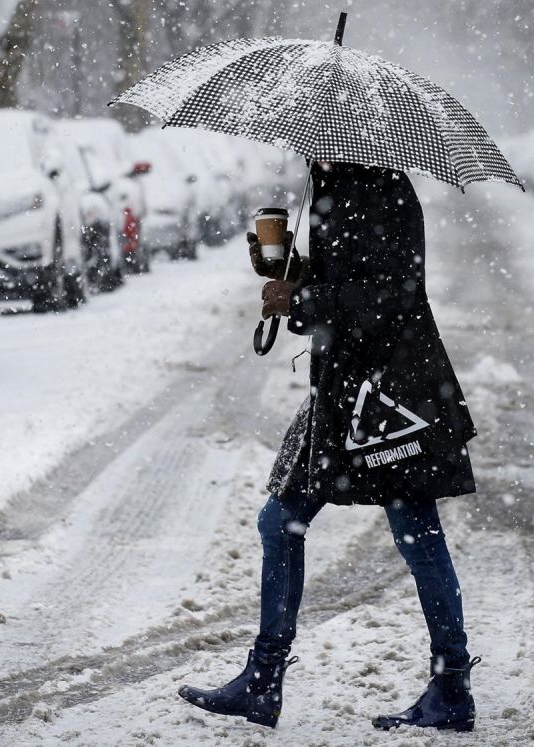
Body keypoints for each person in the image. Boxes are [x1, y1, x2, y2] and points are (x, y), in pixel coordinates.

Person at [177, 162, 481, 732]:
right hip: (345, 389)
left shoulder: (377, 185)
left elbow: (390, 293)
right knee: (281, 519)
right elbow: (353, 276)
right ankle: (264, 681)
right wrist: (289, 268)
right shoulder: (335, 183)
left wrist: (303, 298)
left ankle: (451, 687)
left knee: (417, 536)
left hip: (389, 397)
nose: (300, 145)